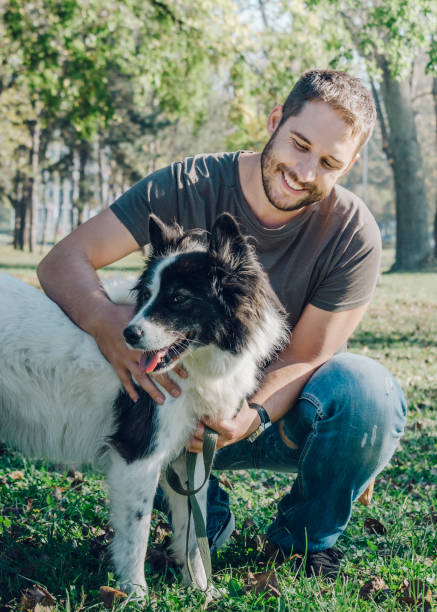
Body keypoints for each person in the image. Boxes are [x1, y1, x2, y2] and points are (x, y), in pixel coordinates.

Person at [37, 69, 406, 578]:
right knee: (195, 516)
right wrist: (105, 321)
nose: (303, 170)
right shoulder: (188, 184)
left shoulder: (353, 233)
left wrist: (248, 417)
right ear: (276, 120)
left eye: (327, 162)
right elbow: (63, 260)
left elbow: (308, 355)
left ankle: (304, 540)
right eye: (299, 144)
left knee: (370, 393)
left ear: (349, 164)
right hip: (174, 413)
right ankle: (203, 514)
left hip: (271, 415)